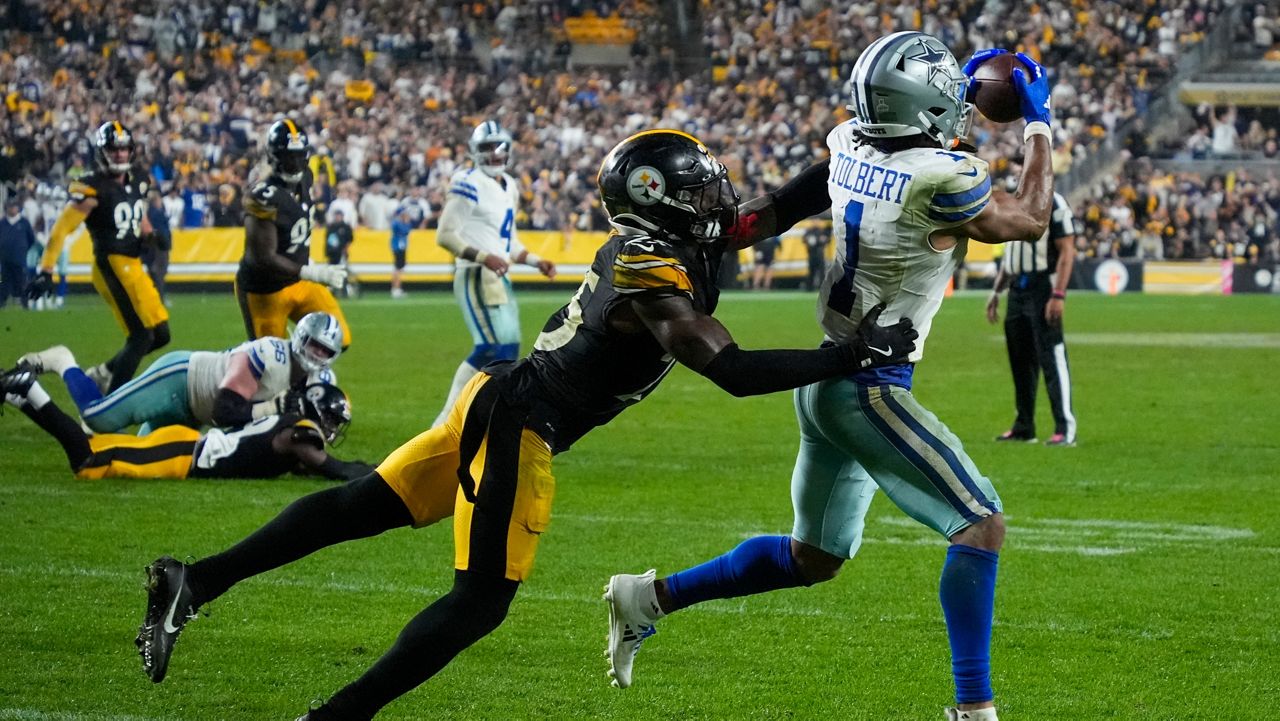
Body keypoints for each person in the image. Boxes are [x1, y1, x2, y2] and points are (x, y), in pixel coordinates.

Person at [131, 130, 919, 720]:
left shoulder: (681, 236)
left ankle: (194, 579)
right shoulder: (652, 268)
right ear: (667, 202)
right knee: (477, 602)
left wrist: (862, 149)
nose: (722, 195)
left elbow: (781, 203)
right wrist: (847, 355)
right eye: (705, 185)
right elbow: (733, 371)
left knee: (358, 506)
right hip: (522, 422)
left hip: (497, 397)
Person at [603, 37, 1057, 721]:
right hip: (868, 382)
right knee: (980, 523)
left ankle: (649, 598)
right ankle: (975, 710)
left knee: (813, 556)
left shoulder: (850, 145)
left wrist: (719, 234)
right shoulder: (941, 177)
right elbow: (1031, 216)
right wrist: (1041, 123)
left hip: (824, 381)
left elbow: (782, 205)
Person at [0, 368, 370, 483]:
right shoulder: (300, 433)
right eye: (332, 419)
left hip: (187, 447)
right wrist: (382, 473)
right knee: (88, 463)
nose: (332, 429)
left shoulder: (294, 428)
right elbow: (334, 469)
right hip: (184, 454)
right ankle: (29, 388)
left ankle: (20, 398)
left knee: (95, 448)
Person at [16, 311, 343, 434]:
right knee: (98, 418)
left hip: (197, 416)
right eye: (315, 346)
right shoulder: (269, 355)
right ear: (300, 338)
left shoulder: (320, 382)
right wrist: (274, 408)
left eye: (327, 351)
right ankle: (62, 360)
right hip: (181, 381)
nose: (319, 356)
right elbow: (225, 408)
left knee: (144, 460)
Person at [431, 120, 558, 427]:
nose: (495, 154)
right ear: (475, 151)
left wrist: (536, 260)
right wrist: (482, 256)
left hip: (498, 276)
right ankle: (446, 423)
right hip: (475, 272)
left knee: (509, 351)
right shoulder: (467, 181)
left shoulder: (509, 185)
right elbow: (445, 235)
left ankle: (484, 417)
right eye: (488, 148)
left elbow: (508, 243)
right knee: (490, 347)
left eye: (500, 147)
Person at [28, 121, 170, 392]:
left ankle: (103, 373)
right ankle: (111, 408)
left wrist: (151, 235)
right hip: (111, 263)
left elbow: (138, 218)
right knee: (141, 337)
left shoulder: (138, 180)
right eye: (113, 149)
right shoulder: (93, 187)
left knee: (161, 335)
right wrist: (46, 269)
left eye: (124, 149)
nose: (119, 154)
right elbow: (61, 229)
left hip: (133, 264)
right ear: (102, 151)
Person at [236, 119, 351, 347]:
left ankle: (302, 371)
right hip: (265, 289)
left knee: (338, 339)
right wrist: (312, 272)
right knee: (269, 364)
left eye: (301, 155)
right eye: (290, 156)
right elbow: (262, 258)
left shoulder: (306, 177)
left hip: (299, 281)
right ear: (275, 156)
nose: (297, 163)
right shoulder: (264, 197)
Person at [986, 191, 1077, 446]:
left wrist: (1058, 294)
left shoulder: (1054, 202)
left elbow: (1067, 251)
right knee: (1020, 360)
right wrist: (996, 290)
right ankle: (1024, 425)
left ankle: (1064, 426)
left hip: (1043, 287)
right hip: (1017, 286)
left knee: (1051, 355)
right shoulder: (1014, 199)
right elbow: (1010, 253)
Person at [1, 197, 35, 307]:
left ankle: (25, 304)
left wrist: (23, 249)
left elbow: (31, 239)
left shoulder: (24, 222)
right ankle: (2, 303)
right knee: (4, 283)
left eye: (14, 207)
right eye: (10, 207)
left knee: (22, 283)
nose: (12, 209)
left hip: (19, 259)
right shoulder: (2, 223)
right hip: (5, 259)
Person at [144, 190, 172, 304]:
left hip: (153, 247)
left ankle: (155, 296)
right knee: (159, 272)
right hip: (159, 247)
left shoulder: (150, 213)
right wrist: (166, 244)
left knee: (154, 272)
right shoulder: (157, 213)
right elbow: (162, 231)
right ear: (156, 201)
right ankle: (159, 298)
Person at [389, 207, 411, 298]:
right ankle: (396, 288)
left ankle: (396, 288)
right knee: (398, 269)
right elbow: (405, 231)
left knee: (398, 269)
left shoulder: (398, 223)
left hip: (400, 247)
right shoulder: (397, 223)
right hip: (398, 247)